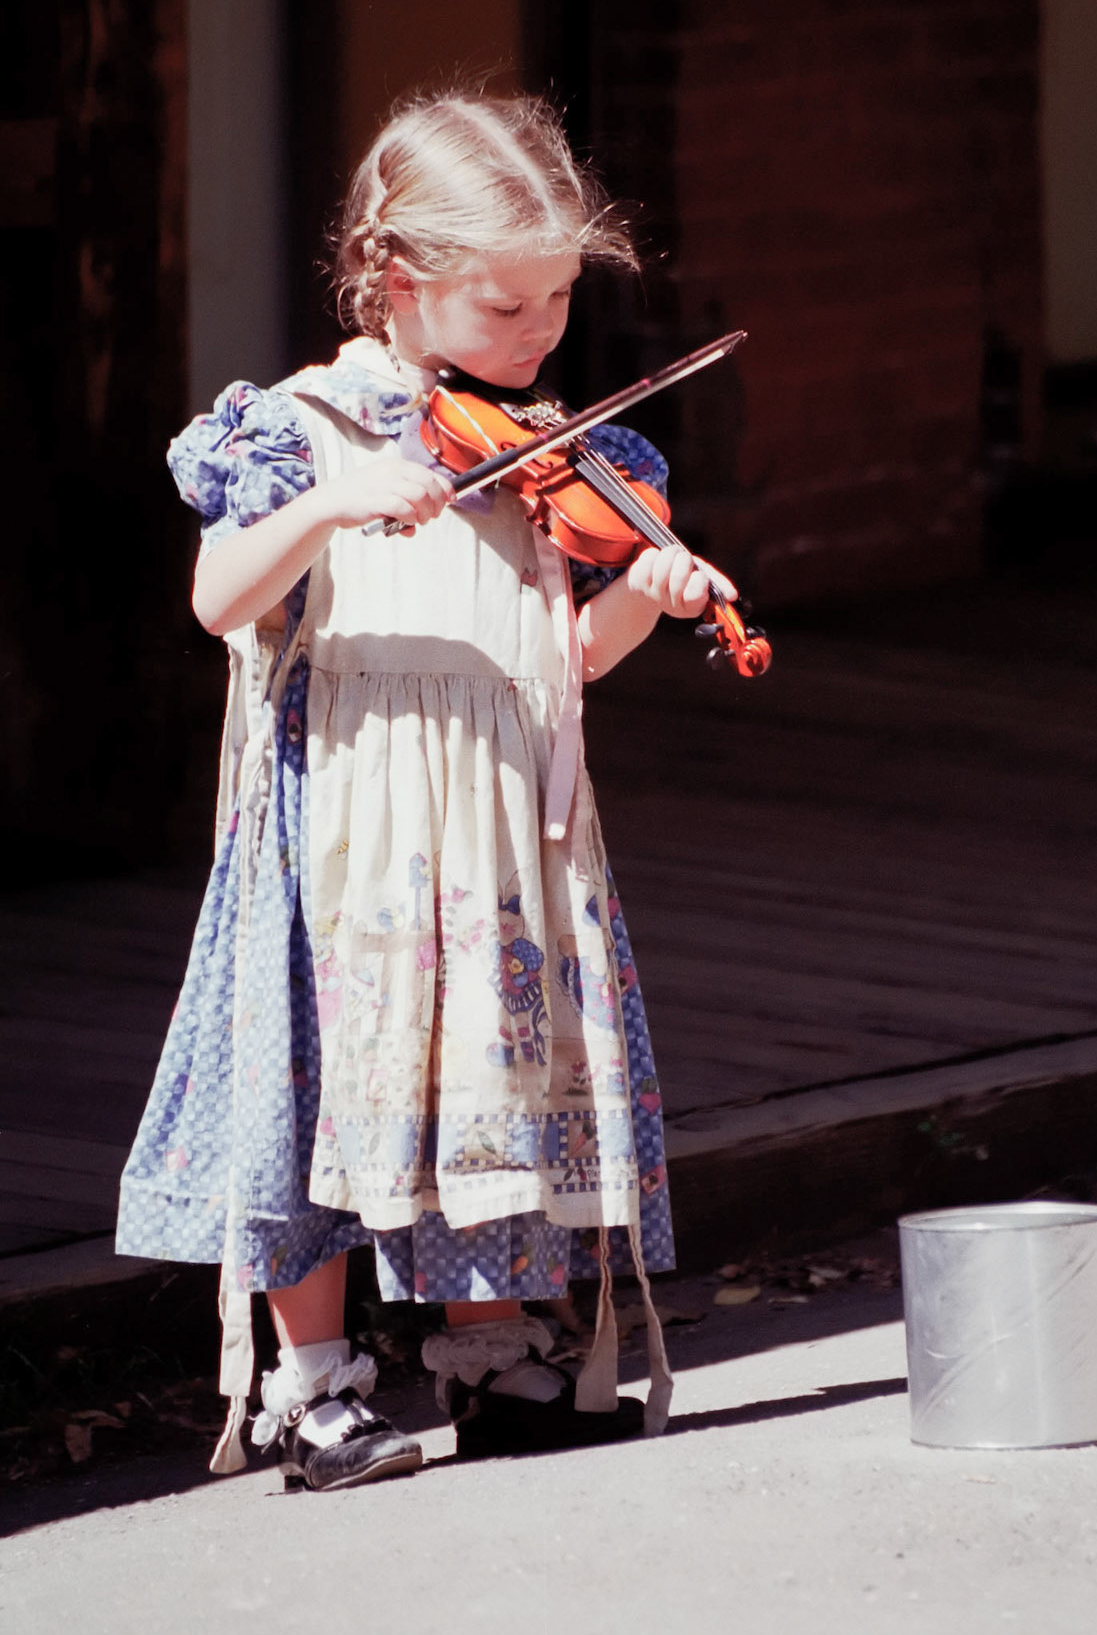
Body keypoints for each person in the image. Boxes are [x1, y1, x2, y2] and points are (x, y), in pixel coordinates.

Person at [118, 93, 725, 1490]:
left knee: (483, 1082)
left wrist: (643, 583)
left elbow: (557, 660)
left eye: (560, 301)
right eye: (506, 307)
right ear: (397, 282)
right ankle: (313, 1382)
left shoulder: (547, 456)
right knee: (325, 1086)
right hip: (341, 824)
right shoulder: (303, 429)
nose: (539, 338)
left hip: (490, 826)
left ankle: (492, 1347)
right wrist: (336, 503)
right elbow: (220, 600)